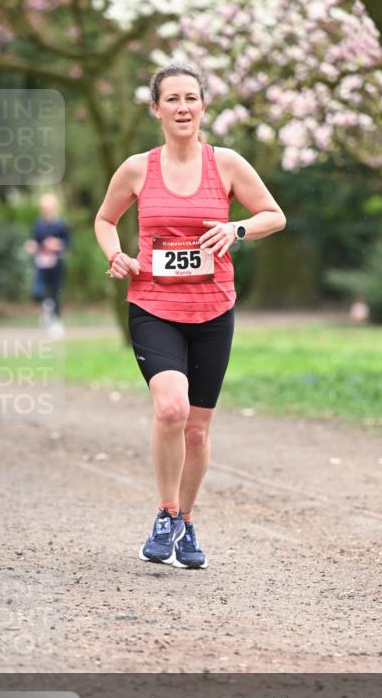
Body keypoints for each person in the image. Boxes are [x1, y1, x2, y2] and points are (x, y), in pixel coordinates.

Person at [94, 64, 286, 569]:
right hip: (153, 305)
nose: (183, 107)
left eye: (191, 98)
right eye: (172, 99)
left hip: (213, 308)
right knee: (172, 410)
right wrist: (115, 254)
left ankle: (186, 525)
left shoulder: (226, 164)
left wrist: (237, 231)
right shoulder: (138, 168)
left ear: (203, 107)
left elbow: (274, 214)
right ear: (155, 108)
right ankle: (165, 511)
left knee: (198, 429)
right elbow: (105, 219)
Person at [24, 193, 70, 337]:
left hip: (56, 264)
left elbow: (67, 244)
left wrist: (57, 245)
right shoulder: (38, 224)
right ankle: (46, 307)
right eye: (44, 208)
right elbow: (34, 242)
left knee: (56, 292)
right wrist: (31, 246)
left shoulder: (61, 225)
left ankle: (55, 322)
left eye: (49, 208)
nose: (47, 211)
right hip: (41, 264)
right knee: (37, 291)